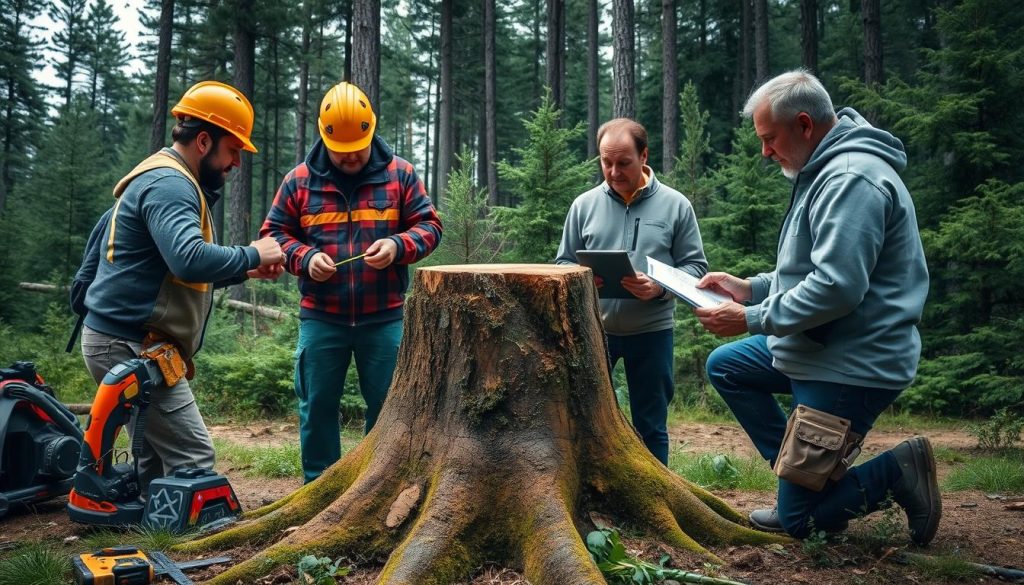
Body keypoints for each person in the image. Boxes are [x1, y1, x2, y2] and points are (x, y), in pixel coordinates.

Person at [694, 70, 940, 545]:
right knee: (728, 366)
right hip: (818, 345)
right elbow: (806, 271)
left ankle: (897, 472)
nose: (765, 151)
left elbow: (836, 289)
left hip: (850, 363)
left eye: (769, 138)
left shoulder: (850, 179)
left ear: (804, 125)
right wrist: (750, 288)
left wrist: (749, 318)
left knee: (800, 523)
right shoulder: (823, 168)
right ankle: (806, 479)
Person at [73, 80, 285, 496]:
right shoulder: (172, 185)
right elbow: (188, 257)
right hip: (129, 345)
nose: (237, 162)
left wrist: (242, 272)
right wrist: (252, 254)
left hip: (121, 340)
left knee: (152, 458)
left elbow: (168, 270)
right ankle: (192, 549)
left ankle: (145, 532)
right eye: (233, 149)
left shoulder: (167, 177)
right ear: (204, 141)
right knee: (193, 457)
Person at [261, 81, 442, 483]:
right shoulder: (299, 180)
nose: (351, 158)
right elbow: (273, 235)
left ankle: (380, 487)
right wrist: (305, 258)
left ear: (371, 131)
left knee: (390, 406)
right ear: (325, 138)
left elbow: (430, 226)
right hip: (321, 318)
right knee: (318, 406)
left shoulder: (401, 174)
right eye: (341, 153)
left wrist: (398, 245)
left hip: (385, 318)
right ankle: (318, 490)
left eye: (357, 149)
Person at [556, 118, 708, 465]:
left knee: (651, 425)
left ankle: (657, 503)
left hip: (652, 331)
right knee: (585, 419)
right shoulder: (583, 205)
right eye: (605, 162)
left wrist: (659, 287)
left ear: (644, 156)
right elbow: (563, 261)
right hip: (594, 332)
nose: (612, 171)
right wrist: (580, 278)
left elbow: (696, 268)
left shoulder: (676, 205)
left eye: (623, 162)